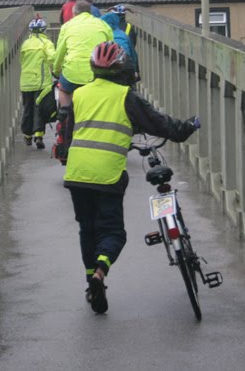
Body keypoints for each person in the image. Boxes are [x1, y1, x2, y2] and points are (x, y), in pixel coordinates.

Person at [65, 41, 200, 314]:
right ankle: (100, 272)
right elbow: (159, 124)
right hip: (107, 175)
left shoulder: (79, 94)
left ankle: (90, 279)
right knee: (113, 231)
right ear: (122, 68)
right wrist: (187, 127)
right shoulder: (127, 96)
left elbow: (69, 136)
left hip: (77, 175)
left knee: (87, 229)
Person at [51, 0, 113, 160]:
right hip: (96, 73)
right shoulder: (102, 25)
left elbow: (59, 54)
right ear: (91, 12)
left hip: (73, 72)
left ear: (74, 12)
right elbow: (111, 47)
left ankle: (65, 115)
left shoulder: (67, 26)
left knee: (64, 89)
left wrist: (57, 70)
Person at [20, 15, 55, 148]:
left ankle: (27, 135)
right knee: (39, 109)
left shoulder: (25, 44)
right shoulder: (46, 43)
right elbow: (53, 58)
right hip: (41, 82)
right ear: (44, 30)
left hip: (25, 82)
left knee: (27, 108)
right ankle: (39, 136)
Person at [100, 11, 138, 80]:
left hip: (107, 64)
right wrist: (136, 70)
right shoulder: (123, 35)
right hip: (125, 62)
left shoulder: (103, 35)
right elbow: (133, 54)